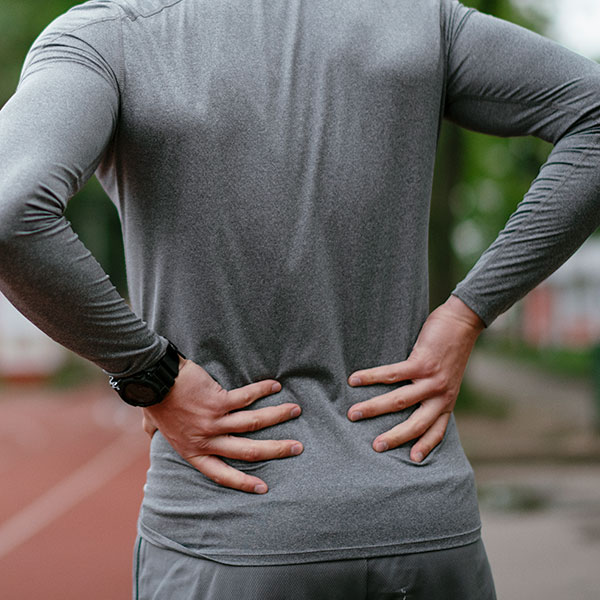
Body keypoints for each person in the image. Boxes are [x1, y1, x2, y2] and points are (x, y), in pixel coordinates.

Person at [1, 0, 599, 597]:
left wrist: (148, 374)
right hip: (426, 526)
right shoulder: (418, 19)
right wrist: (469, 311)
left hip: (231, 532)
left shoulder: (110, 38)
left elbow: (10, 211)